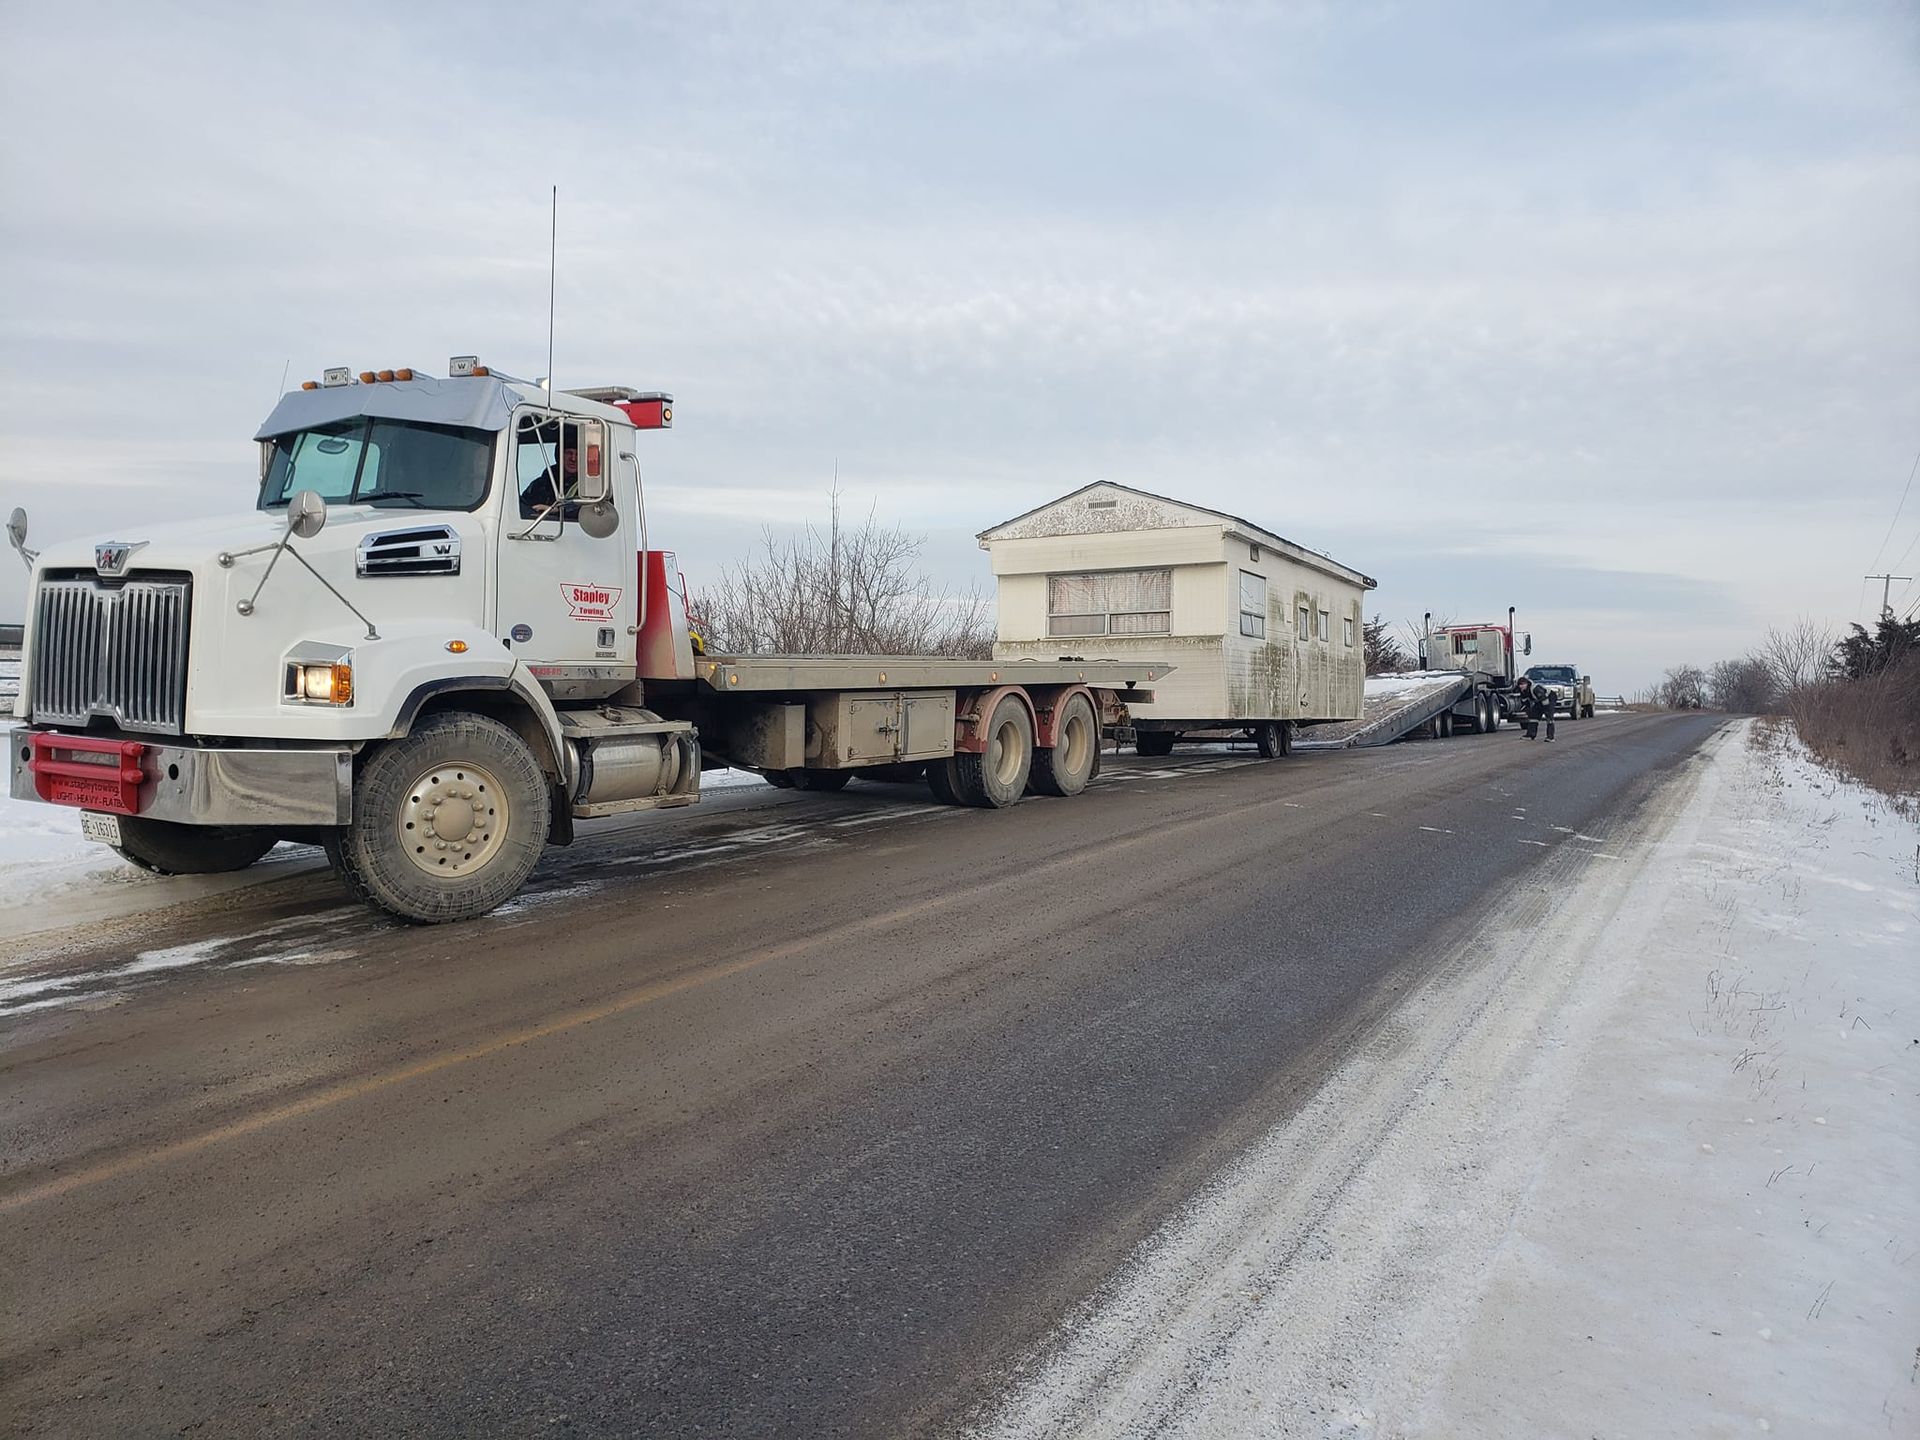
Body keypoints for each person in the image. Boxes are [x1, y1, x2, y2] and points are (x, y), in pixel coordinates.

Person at [1516, 677, 1556, 742]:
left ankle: (1550, 737)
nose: (1521, 686)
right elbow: (1525, 702)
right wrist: (1528, 711)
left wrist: (1547, 711)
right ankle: (1531, 735)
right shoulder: (1523, 691)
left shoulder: (1535, 688)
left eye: (1523, 684)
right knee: (1533, 716)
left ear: (1527, 684)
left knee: (1549, 718)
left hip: (1549, 698)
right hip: (1539, 700)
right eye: (1520, 685)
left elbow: (1544, 699)